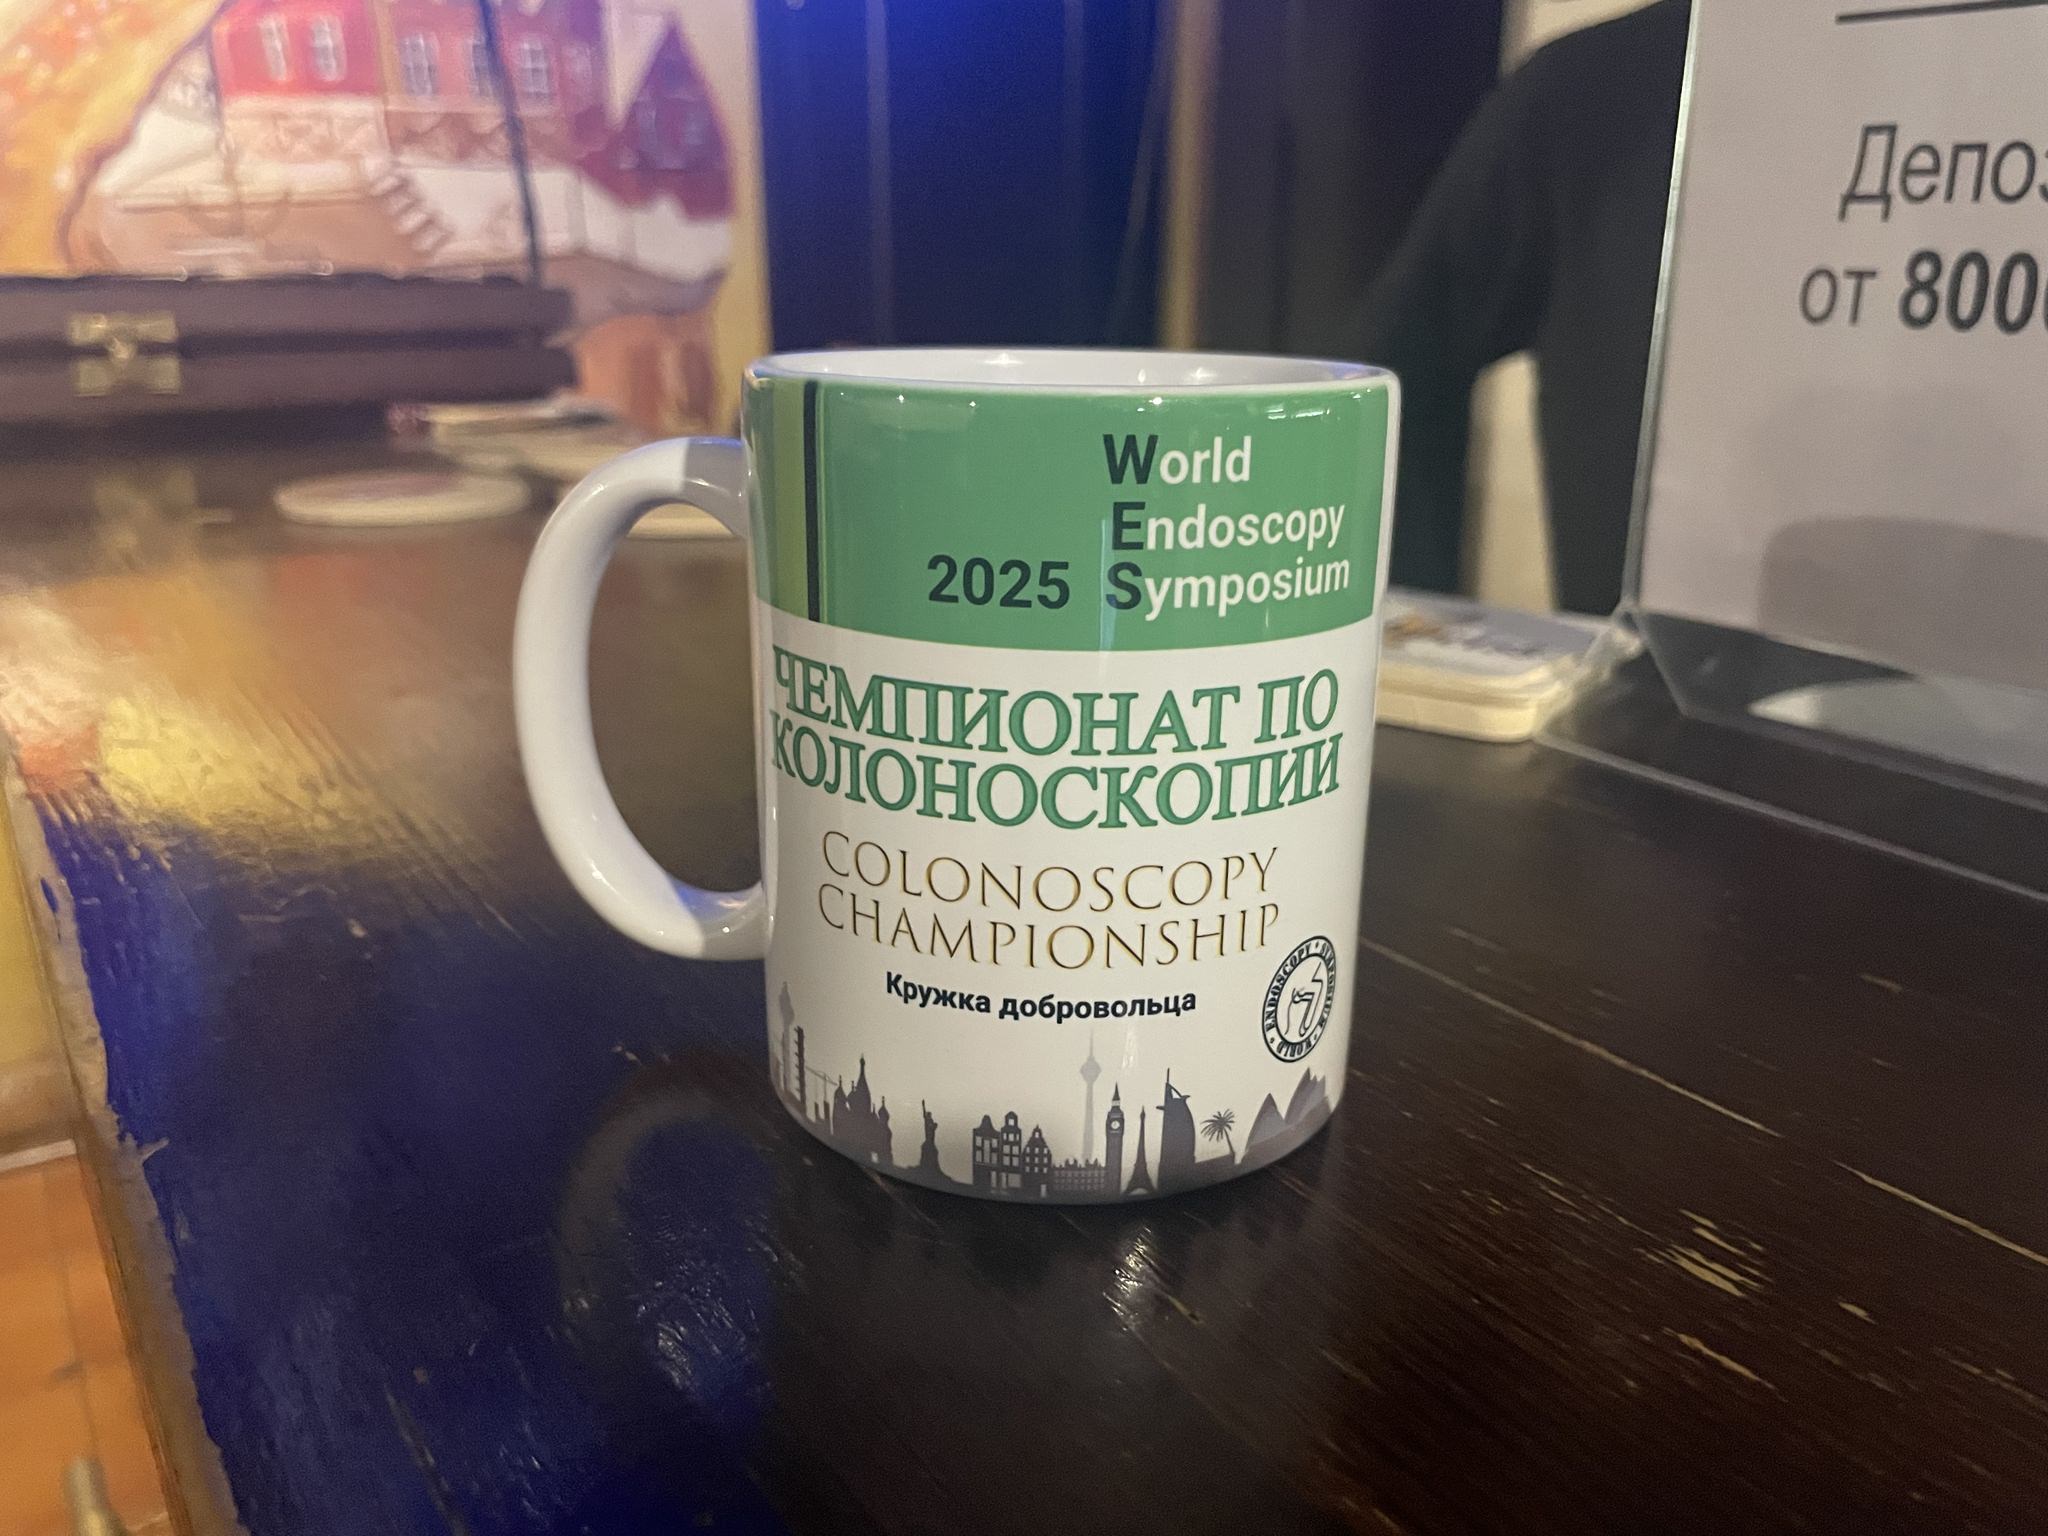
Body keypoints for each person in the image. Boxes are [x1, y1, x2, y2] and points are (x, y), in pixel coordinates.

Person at [1352, 0, 1692, 615]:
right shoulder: (1599, 89)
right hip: (1629, 668)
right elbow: (1388, 373)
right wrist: (1418, 630)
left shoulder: (1598, 81)